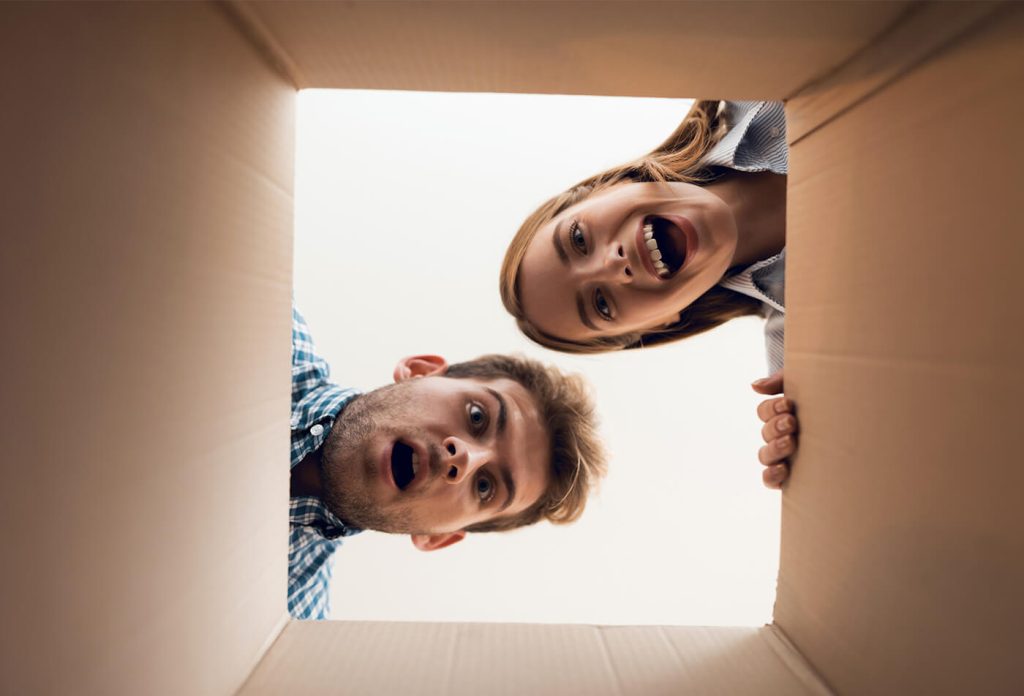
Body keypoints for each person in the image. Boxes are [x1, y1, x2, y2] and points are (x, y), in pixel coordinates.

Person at [499, 100, 796, 488]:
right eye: (601, 305)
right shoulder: (798, 363)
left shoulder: (761, 78)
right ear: (659, 323)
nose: (612, 264)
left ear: (608, 187)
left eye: (578, 239)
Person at [288, 306, 606, 619]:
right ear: (420, 371)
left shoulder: (288, 624)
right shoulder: (263, 318)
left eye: (485, 487)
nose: (465, 459)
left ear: (438, 537)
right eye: (477, 416)